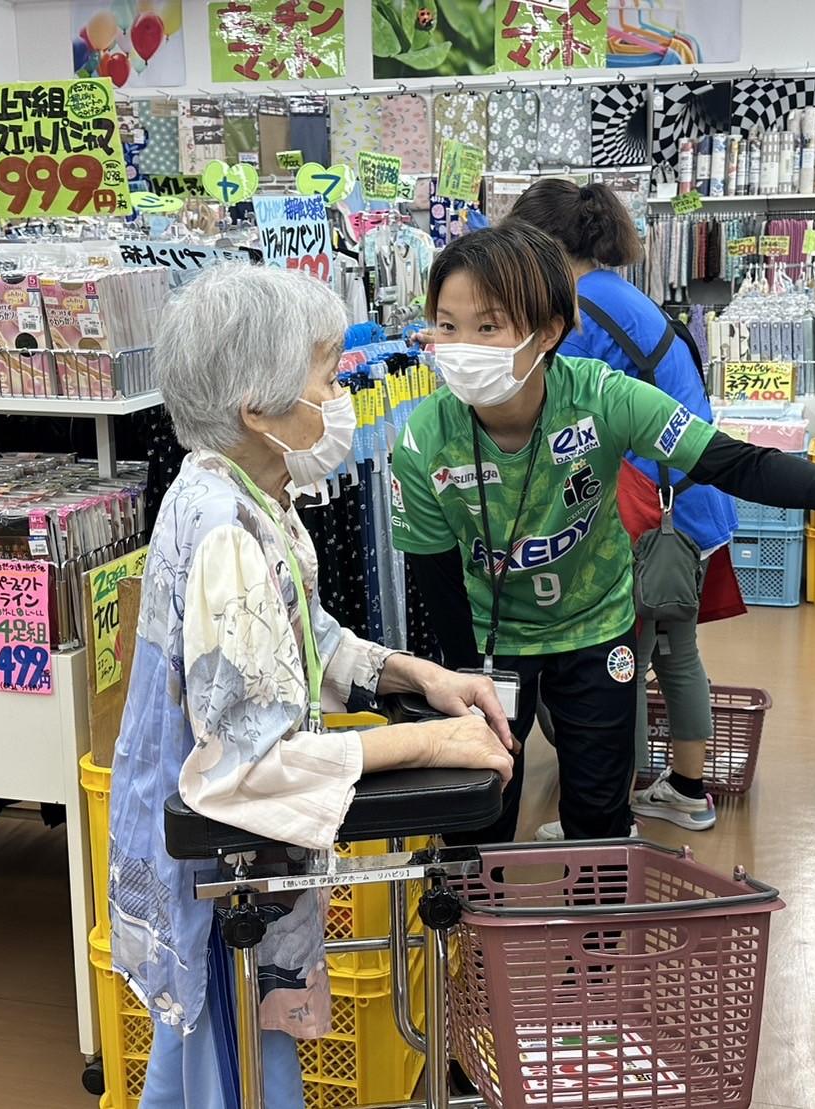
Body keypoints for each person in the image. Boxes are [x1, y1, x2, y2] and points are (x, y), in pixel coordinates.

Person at [394, 223, 815, 845]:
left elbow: (731, 462)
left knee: (599, 807)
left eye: (488, 327)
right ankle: (480, 935)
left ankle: (599, 932)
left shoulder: (602, 399)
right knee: (480, 808)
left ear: (547, 331)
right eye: (446, 326)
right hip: (488, 639)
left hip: (596, 626)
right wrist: (465, 676)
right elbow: (435, 575)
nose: (462, 346)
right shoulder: (422, 440)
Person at [108, 266, 515, 1109]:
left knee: (204, 1059)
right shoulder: (225, 533)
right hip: (223, 870)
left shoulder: (240, 490)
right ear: (257, 407)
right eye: (328, 377)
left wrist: (414, 674)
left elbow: (300, 631)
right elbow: (254, 762)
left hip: (227, 862)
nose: (342, 399)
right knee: (238, 1063)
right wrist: (428, 741)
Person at [508, 177, 736, 835]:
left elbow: (554, 417)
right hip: (687, 499)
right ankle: (685, 789)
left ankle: (610, 810)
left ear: (548, 243)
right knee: (675, 652)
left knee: (617, 657)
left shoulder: (575, 308)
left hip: (645, 510)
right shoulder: (620, 294)